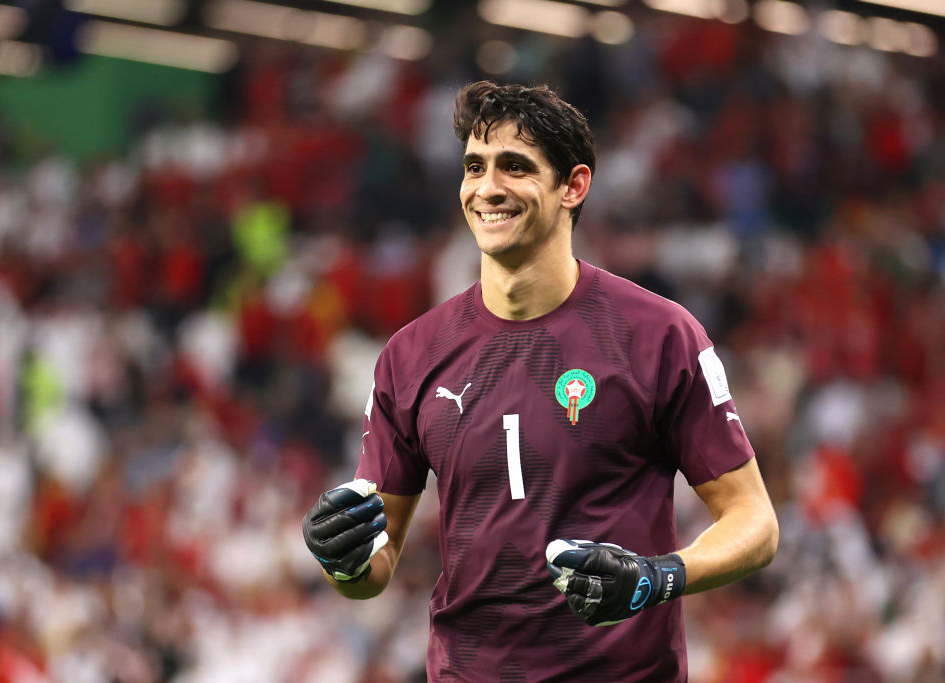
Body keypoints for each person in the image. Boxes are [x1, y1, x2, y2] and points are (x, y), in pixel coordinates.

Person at [303, 81, 779, 681]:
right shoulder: (410, 355)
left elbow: (755, 525)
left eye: (515, 167)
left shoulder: (659, 336)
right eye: (474, 167)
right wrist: (341, 559)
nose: (487, 188)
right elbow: (376, 562)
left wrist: (657, 578)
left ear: (573, 186)